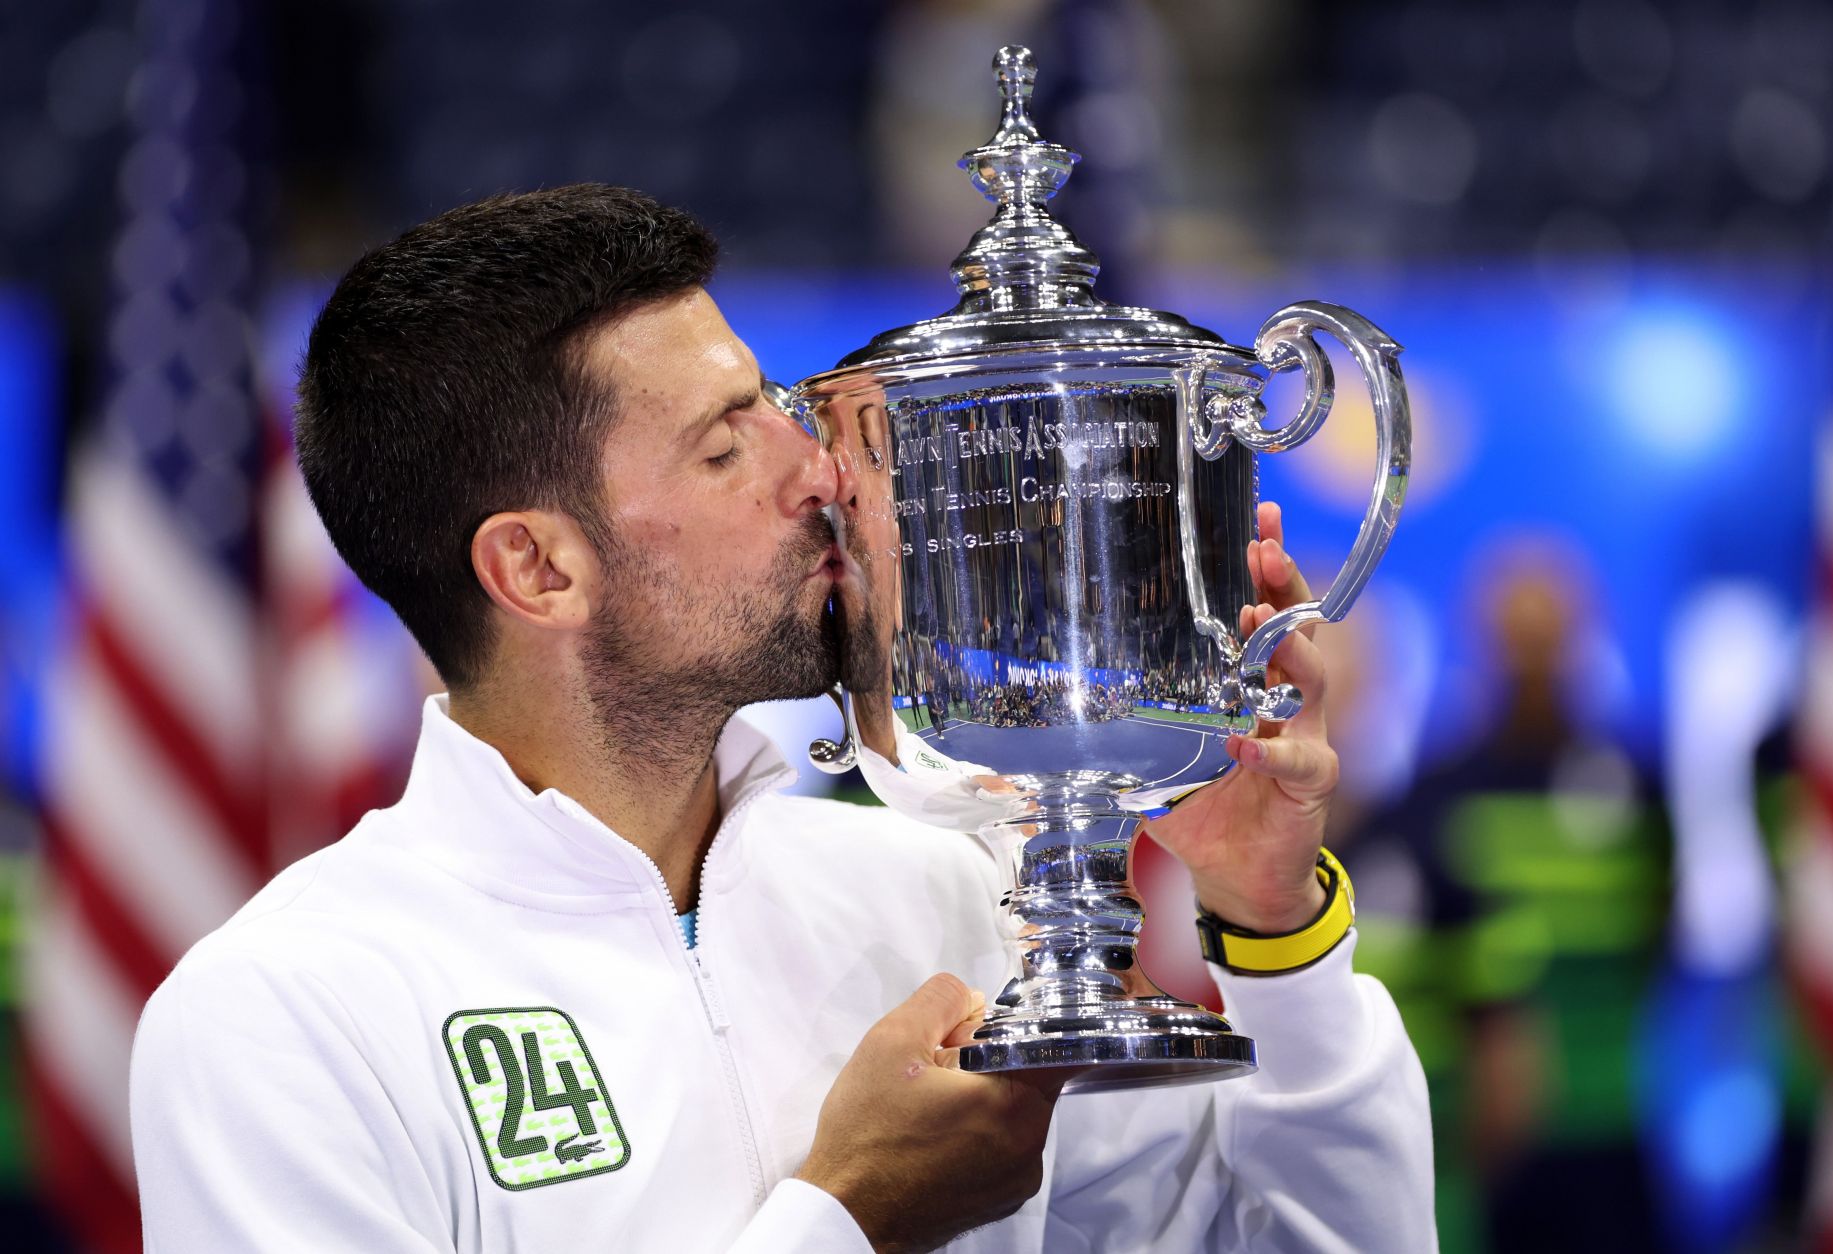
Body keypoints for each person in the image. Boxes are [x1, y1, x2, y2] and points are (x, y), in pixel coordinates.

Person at [128, 185, 1435, 1252]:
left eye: (775, 403)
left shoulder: (947, 887)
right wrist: (846, 1216)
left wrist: (1276, 929)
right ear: (538, 569)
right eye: (725, 441)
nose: (819, 470)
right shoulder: (283, 1017)